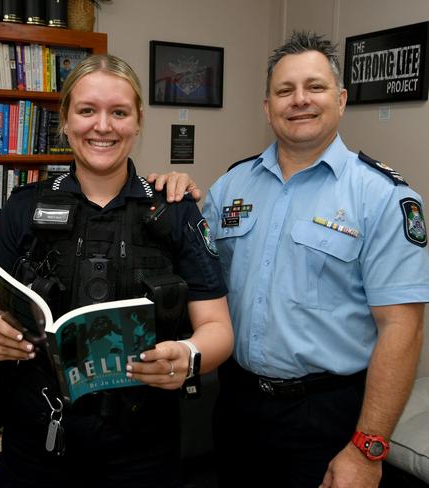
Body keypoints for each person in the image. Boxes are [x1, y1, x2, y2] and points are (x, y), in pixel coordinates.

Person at [151, 30, 429, 488]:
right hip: (238, 404)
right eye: (285, 90)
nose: (299, 100)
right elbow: (195, 280)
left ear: (339, 100)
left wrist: (368, 447)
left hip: (328, 413)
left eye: (314, 87)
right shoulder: (231, 187)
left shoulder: (382, 197)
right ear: (267, 107)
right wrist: (166, 198)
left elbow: (403, 329)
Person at [0, 54, 233, 488]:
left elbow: (219, 329)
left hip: (144, 448)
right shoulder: (23, 207)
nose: (103, 126)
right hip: (38, 443)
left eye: (119, 112)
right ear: (66, 120)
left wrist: (188, 357)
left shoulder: (174, 210)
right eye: (87, 110)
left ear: (138, 121)